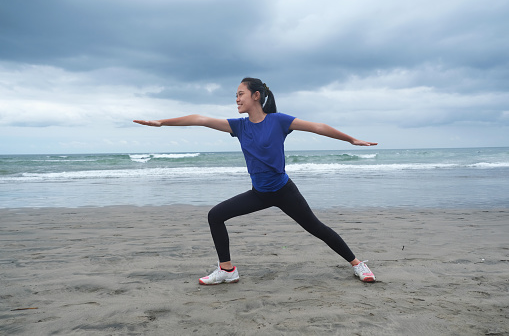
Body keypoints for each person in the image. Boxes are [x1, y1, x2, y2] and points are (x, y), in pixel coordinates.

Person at [134, 77, 378, 285]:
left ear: (256, 96)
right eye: (236, 95)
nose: (237, 99)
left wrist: (350, 140)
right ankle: (227, 270)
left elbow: (317, 126)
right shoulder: (238, 126)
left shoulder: (278, 121)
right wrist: (162, 122)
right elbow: (201, 119)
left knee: (316, 228)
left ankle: (357, 265)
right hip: (259, 193)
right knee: (215, 215)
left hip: (284, 190)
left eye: (240, 94)